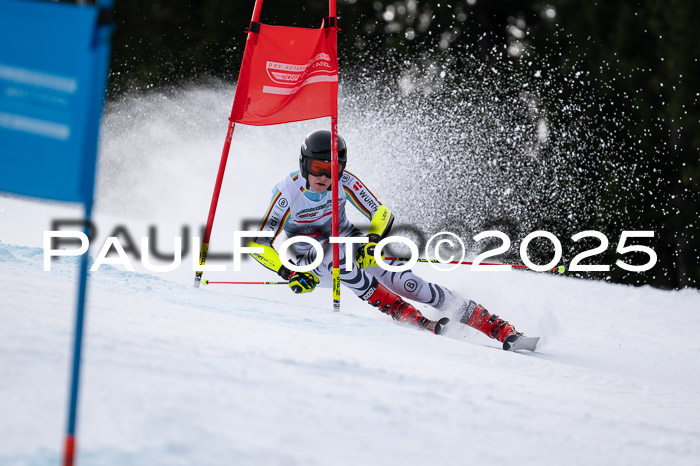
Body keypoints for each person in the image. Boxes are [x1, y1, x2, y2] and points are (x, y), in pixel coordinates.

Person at [249, 129, 527, 349]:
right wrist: (289, 272)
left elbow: (381, 212)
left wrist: (372, 242)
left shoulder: (345, 182)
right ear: (303, 164)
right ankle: (404, 313)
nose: (323, 176)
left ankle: (497, 327)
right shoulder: (287, 194)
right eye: (316, 167)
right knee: (340, 257)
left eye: (331, 169)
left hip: (350, 245)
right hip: (311, 262)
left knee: (408, 282)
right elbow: (256, 244)